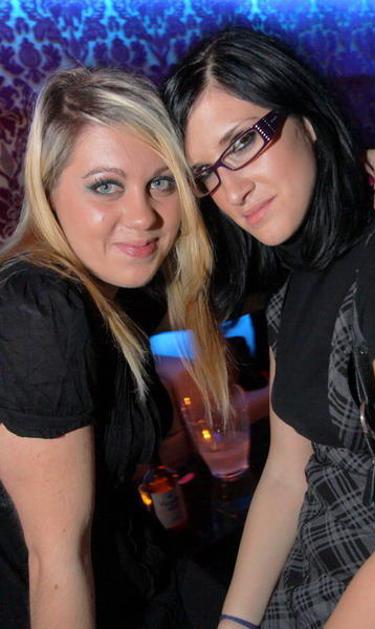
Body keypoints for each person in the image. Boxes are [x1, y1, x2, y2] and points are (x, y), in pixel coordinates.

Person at [163, 27, 375, 628]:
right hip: (301, 591)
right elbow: (285, 474)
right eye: (207, 173)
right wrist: (236, 623)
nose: (233, 189)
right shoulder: (287, 290)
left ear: (307, 118)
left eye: (243, 142)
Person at [0, 66, 230, 629]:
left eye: (163, 182)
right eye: (105, 185)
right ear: (48, 189)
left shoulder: (118, 287)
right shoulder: (39, 306)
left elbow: (273, 248)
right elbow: (57, 562)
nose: (144, 215)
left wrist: (349, 171)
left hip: (141, 574)